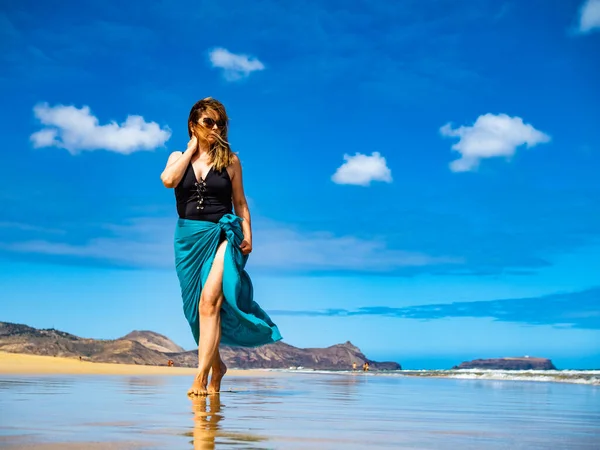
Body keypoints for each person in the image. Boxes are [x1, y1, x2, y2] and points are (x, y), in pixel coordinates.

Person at [160, 98, 282, 396]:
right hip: (188, 239)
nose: (216, 128)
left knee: (209, 301)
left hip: (223, 234)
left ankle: (200, 378)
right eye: (209, 122)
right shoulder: (178, 156)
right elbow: (168, 180)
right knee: (194, 312)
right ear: (194, 125)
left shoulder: (231, 161)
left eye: (221, 124)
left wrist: (248, 234)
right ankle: (218, 366)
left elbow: (240, 202)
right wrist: (191, 149)